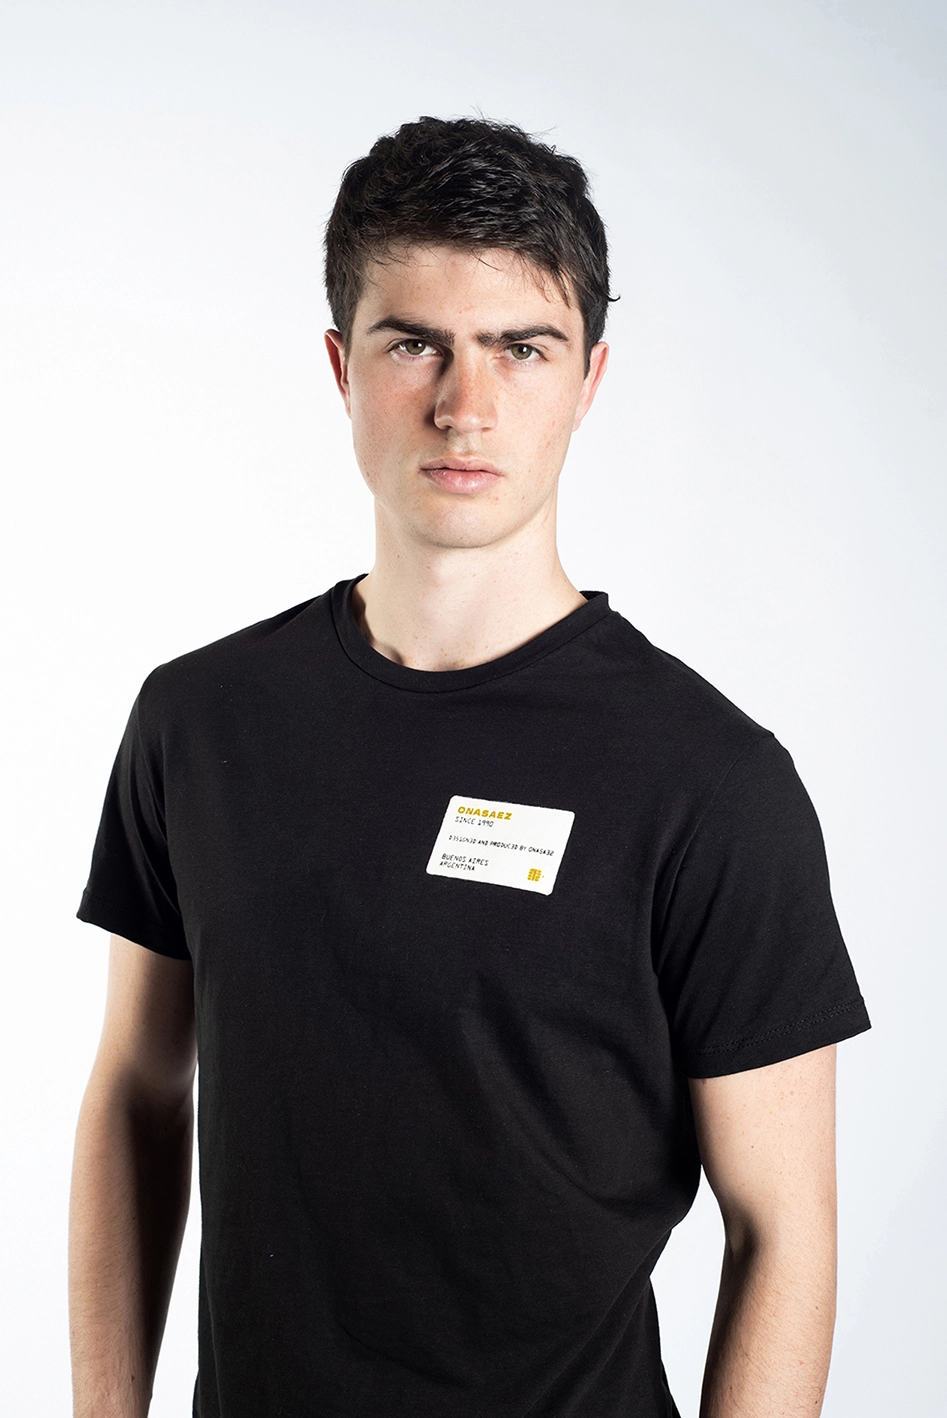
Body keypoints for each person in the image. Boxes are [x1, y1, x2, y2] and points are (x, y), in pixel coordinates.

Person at [69, 116, 870, 1418]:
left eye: (519, 348)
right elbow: (134, 1093)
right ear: (341, 365)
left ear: (589, 378)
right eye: (415, 345)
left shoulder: (709, 783)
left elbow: (784, 1230)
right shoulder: (199, 723)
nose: (465, 405)